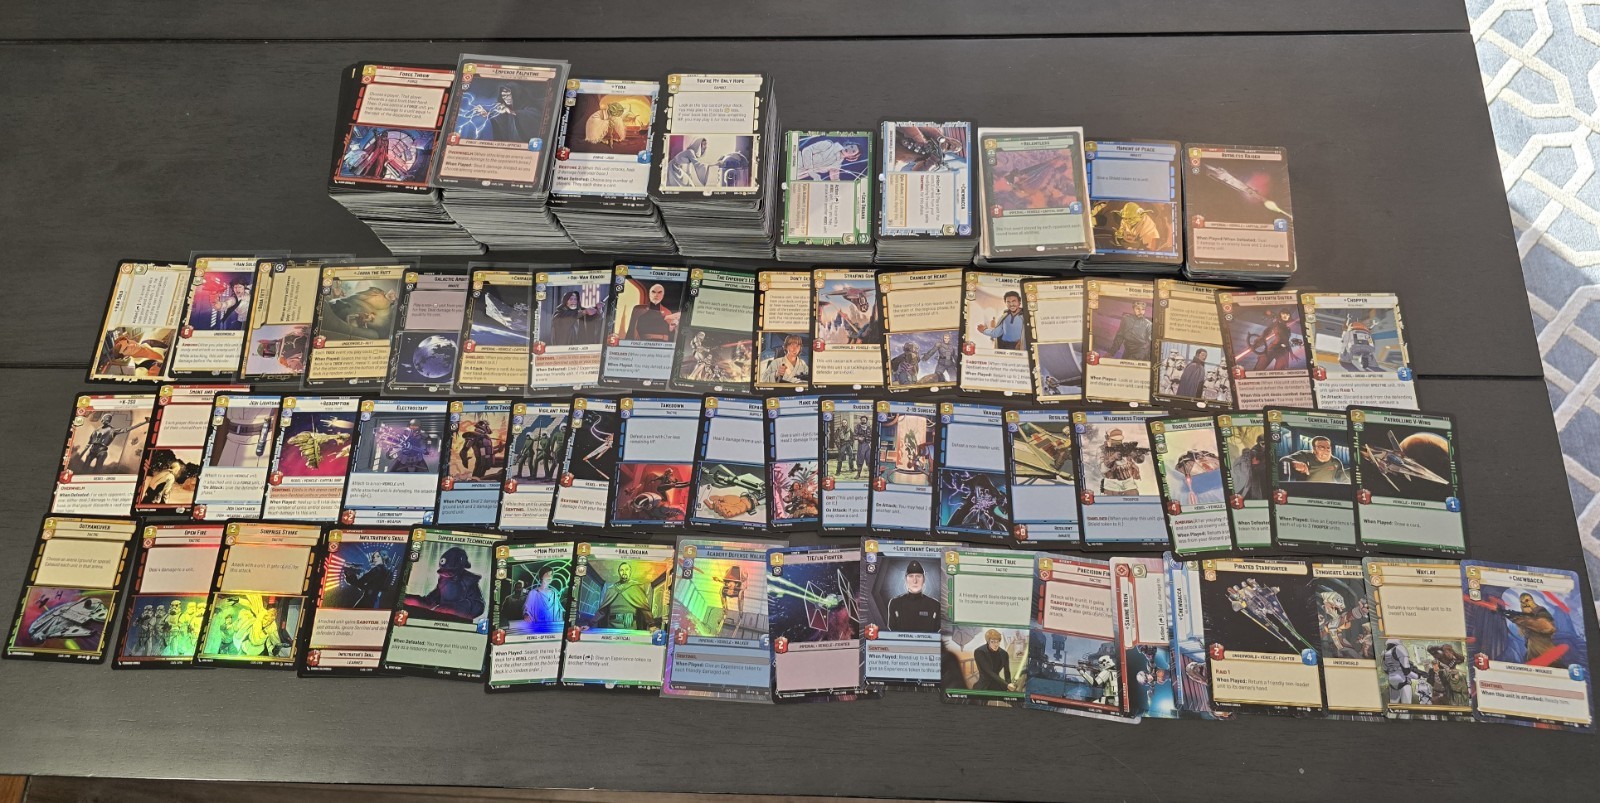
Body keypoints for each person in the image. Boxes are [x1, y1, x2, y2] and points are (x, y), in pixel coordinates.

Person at [415, 547, 485, 622]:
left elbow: (478, 606)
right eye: (444, 571)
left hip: (458, 623)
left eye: (449, 572)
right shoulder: (444, 581)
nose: (446, 575)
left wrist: (451, 609)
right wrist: (413, 600)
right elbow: (430, 601)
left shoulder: (468, 581)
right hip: (440, 620)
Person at [471, 83, 543, 143]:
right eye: (503, 95)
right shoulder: (508, 109)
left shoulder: (529, 106)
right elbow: (502, 122)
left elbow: (533, 117)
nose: (506, 98)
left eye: (508, 94)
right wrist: (487, 114)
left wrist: (512, 112)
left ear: (516, 94)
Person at [886, 561, 940, 632]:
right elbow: (892, 629)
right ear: (905, 579)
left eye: (918, 576)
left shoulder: (935, 605)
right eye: (911, 576)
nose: (915, 581)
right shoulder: (895, 603)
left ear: (924, 579)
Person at [595, 563, 653, 629]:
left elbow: (644, 608)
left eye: (626, 569)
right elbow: (602, 610)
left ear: (630, 572)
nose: (624, 572)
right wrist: (590, 624)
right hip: (612, 626)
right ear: (619, 572)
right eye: (621, 570)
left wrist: (652, 625)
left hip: (630, 626)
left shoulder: (636, 588)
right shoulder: (611, 589)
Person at [1505, 593, 1560, 663]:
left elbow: (1548, 627)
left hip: (1546, 653)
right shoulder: (1526, 615)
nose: (1525, 604)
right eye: (1522, 602)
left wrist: (1520, 620)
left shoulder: (1540, 611)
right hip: (1532, 653)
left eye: (1527, 600)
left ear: (1532, 600)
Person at [1098, 429, 1147, 495]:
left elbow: (1139, 460)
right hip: (1112, 485)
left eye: (1119, 439)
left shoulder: (1125, 447)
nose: (1118, 442)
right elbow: (1102, 469)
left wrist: (1137, 454)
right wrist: (1113, 458)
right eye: (1115, 440)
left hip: (1129, 484)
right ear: (1107, 438)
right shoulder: (1102, 449)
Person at [794, 138, 863, 180]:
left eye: (853, 151)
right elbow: (807, 150)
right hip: (795, 161)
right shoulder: (828, 145)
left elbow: (835, 180)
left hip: (799, 174)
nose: (849, 149)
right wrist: (811, 172)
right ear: (848, 144)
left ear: (851, 157)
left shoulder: (837, 165)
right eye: (851, 146)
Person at [524, 566, 565, 630]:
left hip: (552, 628)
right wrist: (526, 615)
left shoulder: (554, 593)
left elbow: (559, 611)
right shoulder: (533, 593)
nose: (550, 576)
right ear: (541, 576)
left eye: (551, 574)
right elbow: (527, 609)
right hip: (537, 628)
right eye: (547, 574)